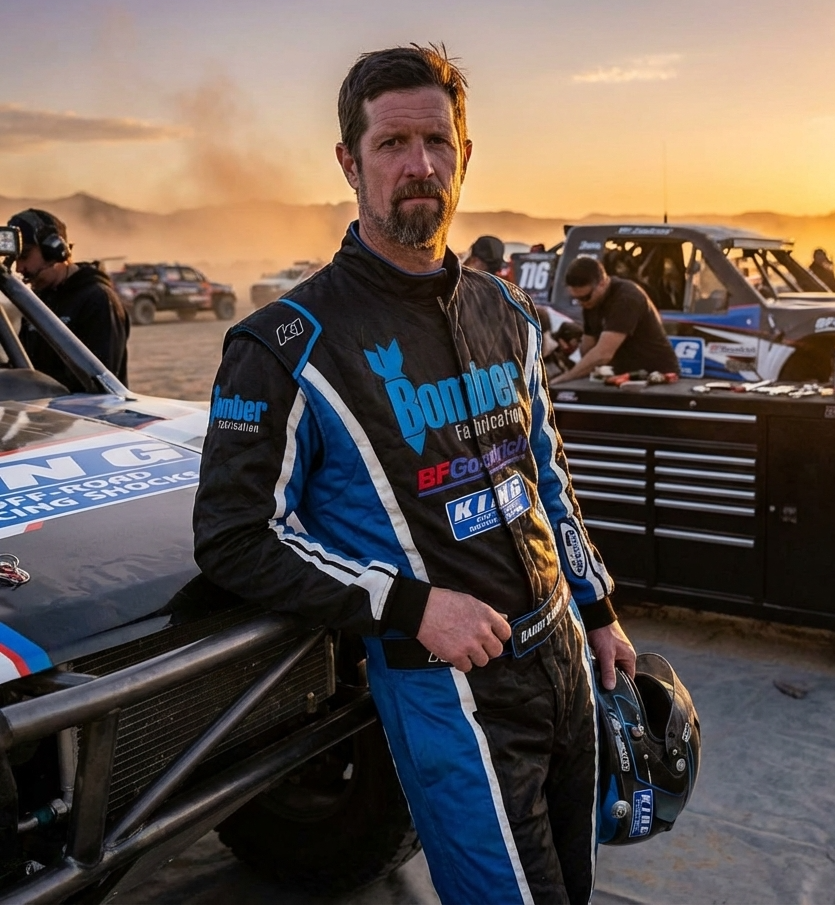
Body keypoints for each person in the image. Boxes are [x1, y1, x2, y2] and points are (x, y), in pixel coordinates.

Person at [192, 44, 634, 905]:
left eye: (437, 140)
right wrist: (410, 606)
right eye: (393, 144)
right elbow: (234, 538)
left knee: (575, 885)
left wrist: (600, 608)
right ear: (349, 162)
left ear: (464, 154)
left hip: (567, 657)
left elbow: (545, 474)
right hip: (448, 687)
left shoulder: (504, 311)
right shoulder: (285, 346)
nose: (419, 165)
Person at [8, 208, 129, 391]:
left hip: (90, 417)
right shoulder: (38, 300)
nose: (19, 268)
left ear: (54, 250)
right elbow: (25, 365)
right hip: (47, 416)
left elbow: (99, 385)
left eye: (24, 256)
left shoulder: (97, 300)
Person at [550, 256, 678, 384]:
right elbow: (588, 349)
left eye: (584, 297)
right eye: (576, 298)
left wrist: (565, 378)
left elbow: (603, 354)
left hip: (656, 375)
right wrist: (567, 353)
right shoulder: (592, 302)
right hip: (624, 375)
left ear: (602, 283)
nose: (581, 303)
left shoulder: (626, 298)